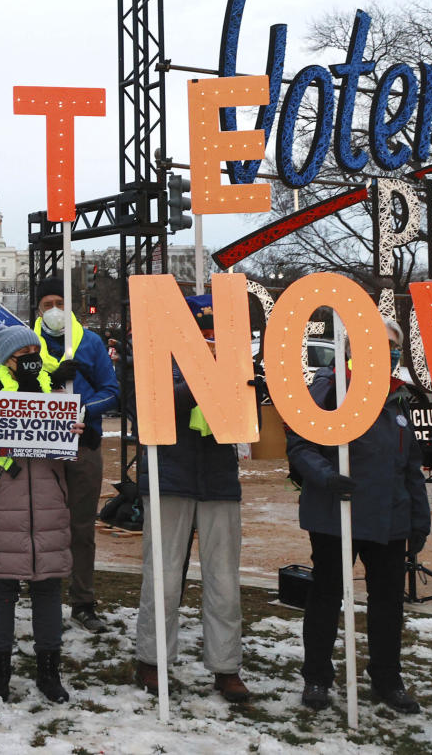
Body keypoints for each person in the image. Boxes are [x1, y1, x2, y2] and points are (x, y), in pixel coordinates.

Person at [285, 319, 429, 714]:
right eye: (380, 344)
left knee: (387, 602)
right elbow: (300, 444)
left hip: (389, 518)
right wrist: (327, 478)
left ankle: (387, 678)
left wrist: (419, 518)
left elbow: (410, 465)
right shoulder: (330, 387)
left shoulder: (398, 397)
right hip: (337, 514)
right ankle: (317, 676)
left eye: (393, 347)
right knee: (327, 596)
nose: (388, 352)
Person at [0, 323, 84, 703]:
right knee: (1, 593)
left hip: (49, 509)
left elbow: (74, 454)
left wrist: (81, 436)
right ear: (7, 358)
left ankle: (49, 673)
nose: (32, 360)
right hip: (1, 508)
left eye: (36, 353)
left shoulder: (57, 394)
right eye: (24, 355)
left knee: (48, 592)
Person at [134, 301, 250, 703]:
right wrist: (204, 376)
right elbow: (149, 407)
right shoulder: (159, 358)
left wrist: (248, 385)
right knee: (163, 577)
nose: (210, 336)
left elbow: (252, 417)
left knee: (224, 580)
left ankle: (226, 666)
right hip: (169, 477)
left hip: (219, 479)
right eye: (202, 329)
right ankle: (152, 658)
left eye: (215, 329)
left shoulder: (236, 362)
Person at [32, 277, 117, 633]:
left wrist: (79, 408)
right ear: (38, 309)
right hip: (40, 450)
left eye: (59, 302)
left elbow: (111, 391)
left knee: (81, 529)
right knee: (43, 527)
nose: (54, 310)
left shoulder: (91, 343)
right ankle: (45, 599)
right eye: (47, 303)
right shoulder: (25, 345)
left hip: (83, 447)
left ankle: (83, 601)